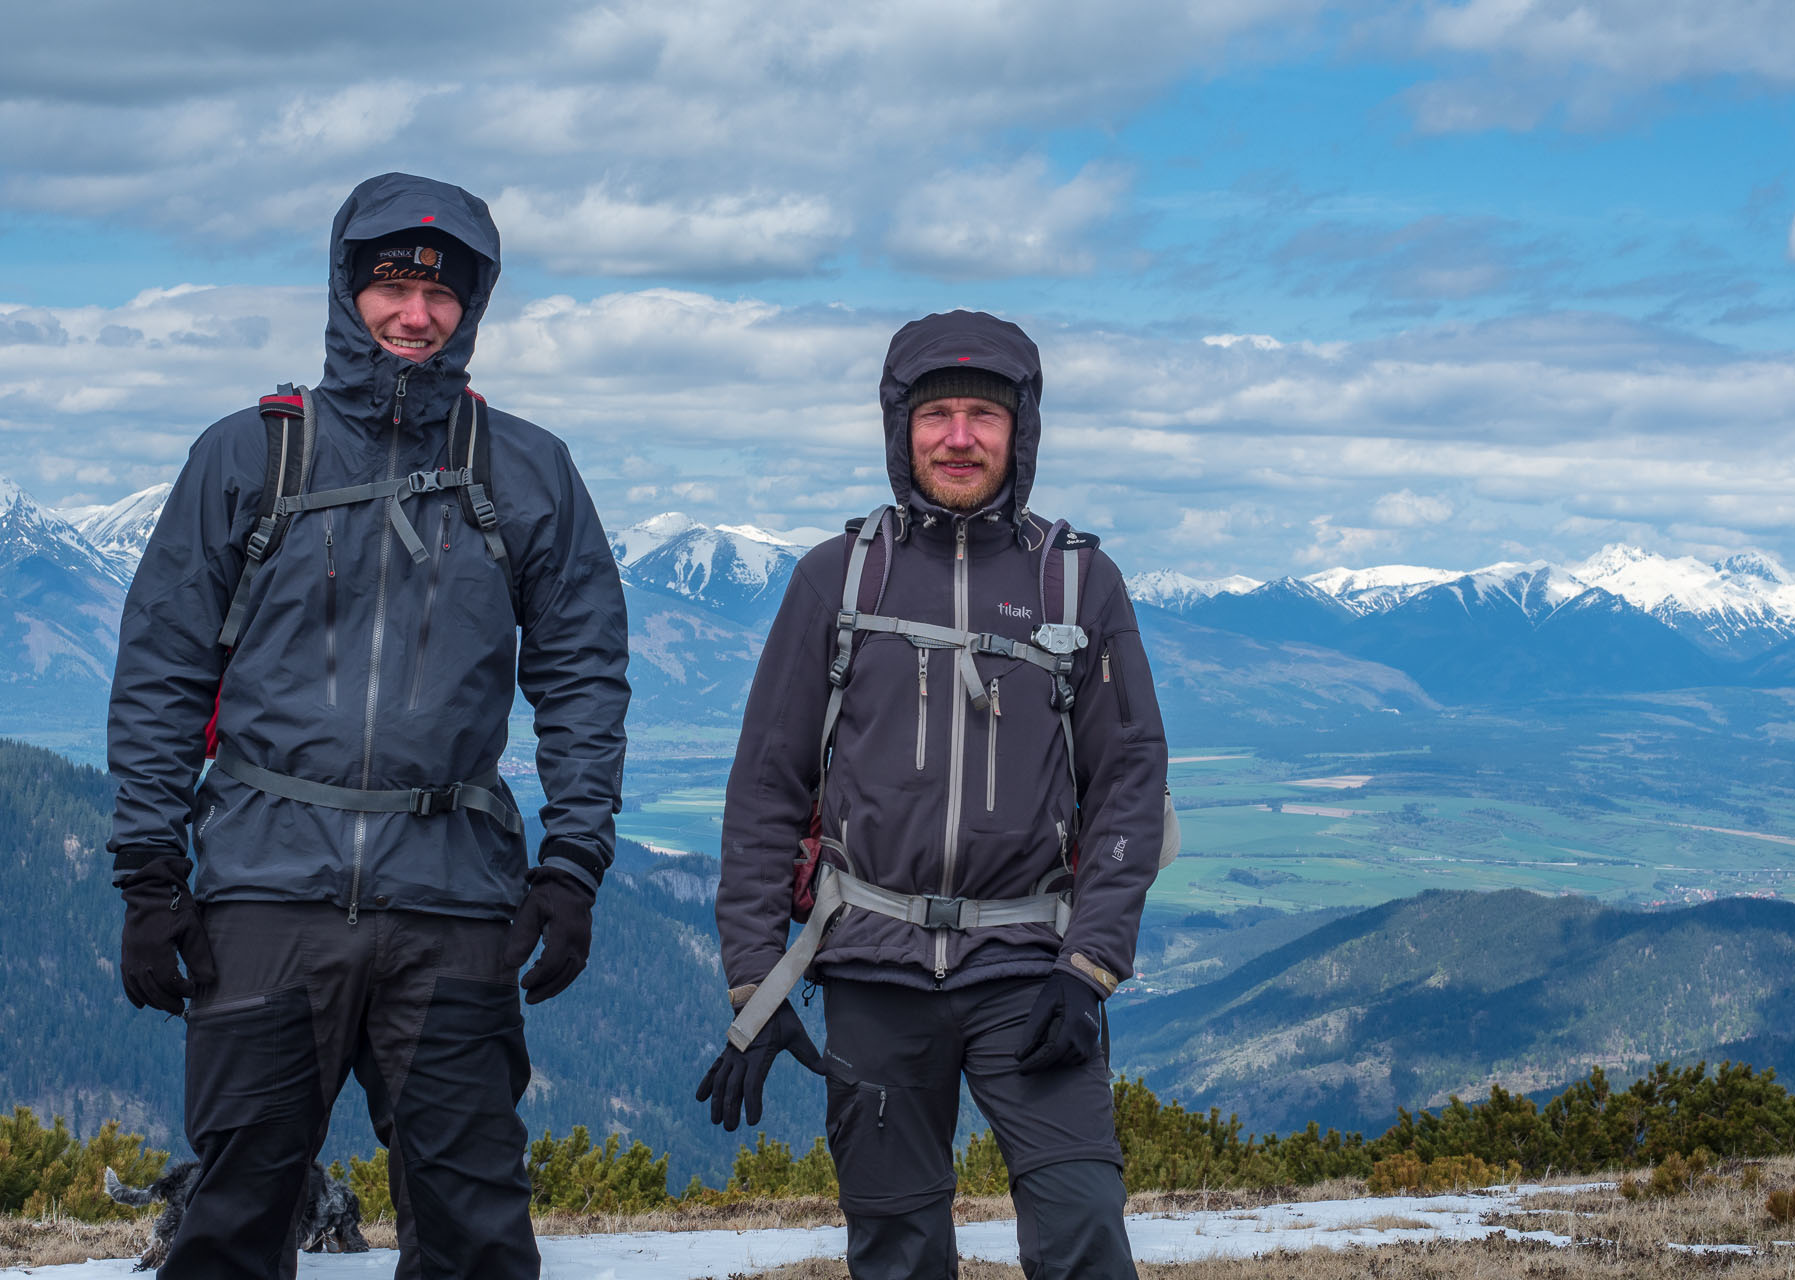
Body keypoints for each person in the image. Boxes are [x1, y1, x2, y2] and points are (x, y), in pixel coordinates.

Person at [107, 172, 630, 1279]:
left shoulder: (529, 470)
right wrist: (150, 875)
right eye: (391, 282)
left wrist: (574, 863)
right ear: (348, 289)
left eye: (442, 294)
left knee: (477, 1230)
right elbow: (160, 667)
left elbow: (584, 673)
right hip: (264, 894)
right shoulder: (250, 454)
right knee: (234, 1219)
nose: (415, 313)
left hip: (454, 899)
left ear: (473, 306)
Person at [700, 310, 1169, 1277]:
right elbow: (766, 786)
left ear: (1020, 431)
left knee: (1083, 1226)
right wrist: (755, 974)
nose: (959, 437)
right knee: (897, 1248)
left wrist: (1090, 970)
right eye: (937, 415)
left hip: (1032, 970)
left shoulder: (1078, 584)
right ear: (899, 426)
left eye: (983, 418)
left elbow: (1129, 783)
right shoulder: (838, 578)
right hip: (873, 970)